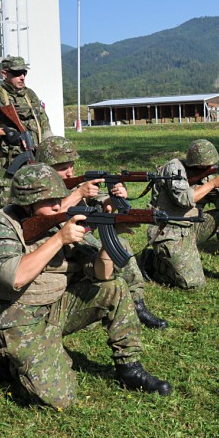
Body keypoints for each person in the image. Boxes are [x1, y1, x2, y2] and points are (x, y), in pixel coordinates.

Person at [0, 163, 171, 410]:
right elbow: (14, 277)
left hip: (58, 307)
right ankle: (10, 363)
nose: (59, 206)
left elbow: (100, 274)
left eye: (60, 198)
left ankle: (129, 367)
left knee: (115, 287)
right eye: (49, 201)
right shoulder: (2, 224)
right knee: (60, 400)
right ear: (26, 202)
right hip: (21, 315)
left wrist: (108, 235)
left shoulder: (62, 220)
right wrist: (59, 239)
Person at [35, 136, 168, 329]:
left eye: (72, 166)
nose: (70, 172)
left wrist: (116, 197)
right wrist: (78, 194)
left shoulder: (73, 186)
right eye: (63, 168)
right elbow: (48, 215)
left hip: (80, 243)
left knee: (119, 244)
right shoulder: (37, 190)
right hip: (54, 248)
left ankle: (137, 303)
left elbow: (104, 207)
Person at [144, 139, 219, 289]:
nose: (212, 168)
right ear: (197, 164)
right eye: (208, 165)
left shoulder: (205, 175)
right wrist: (212, 183)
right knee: (193, 284)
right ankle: (155, 264)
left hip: (191, 227)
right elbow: (185, 199)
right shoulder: (174, 168)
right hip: (167, 231)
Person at [0, 56, 54, 206]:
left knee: (40, 201)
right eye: (17, 73)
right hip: (10, 163)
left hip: (35, 158)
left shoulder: (30, 95)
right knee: (10, 205)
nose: (22, 77)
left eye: (24, 73)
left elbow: (45, 125)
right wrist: (6, 132)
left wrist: (50, 150)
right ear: (5, 74)